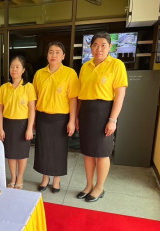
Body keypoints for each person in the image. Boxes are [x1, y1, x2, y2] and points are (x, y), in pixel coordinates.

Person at [76, 31, 128, 202]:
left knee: (102, 153)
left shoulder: (117, 65)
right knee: (88, 153)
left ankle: (99, 187)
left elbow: (120, 95)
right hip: (86, 112)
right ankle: (89, 184)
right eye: (95, 45)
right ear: (90, 47)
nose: (99, 49)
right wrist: (77, 117)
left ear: (110, 47)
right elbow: (80, 96)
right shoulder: (85, 66)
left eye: (103, 45)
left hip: (104, 111)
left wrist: (113, 119)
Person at [33, 42, 79, 193]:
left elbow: (73, 99)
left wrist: (72, 121)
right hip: (42, 117)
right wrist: (32, 121)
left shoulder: (70, 73)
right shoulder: (39, 73)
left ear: (63, 56)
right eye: (51, 52)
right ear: (47, 55)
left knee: (59, 150)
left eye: (57, 52)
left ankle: (57, 180)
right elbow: (34, 98)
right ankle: (45, 178)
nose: (54, 55)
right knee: (44, 149)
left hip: (61, 118)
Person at [0, 55, 36, 189]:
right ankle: (13, 177)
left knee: (22, 154)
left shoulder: (28, 87)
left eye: (17, 67)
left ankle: (20, 178)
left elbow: (32, 110)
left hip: (23, 124)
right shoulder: (4, 87)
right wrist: (0, 128)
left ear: (23, 70)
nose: (14, 69)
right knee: (11, 154)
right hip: (8, 124)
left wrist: (30, 128)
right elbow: (0, 111)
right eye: (12, 67)